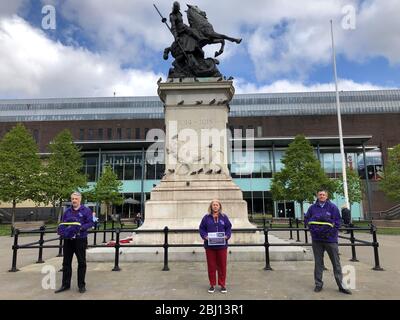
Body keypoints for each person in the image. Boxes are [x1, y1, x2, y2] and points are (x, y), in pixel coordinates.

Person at [304, 189, 352, 294]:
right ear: (317, 196)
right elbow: (307, 220)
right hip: (317, 240)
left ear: (327, 196)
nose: (321, 196)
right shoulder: (312, 208)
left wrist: (330, 233)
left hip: (330, 240)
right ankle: (318, 284)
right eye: (320, 195)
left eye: (323, 195)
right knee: (318, 263)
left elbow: (337, 222)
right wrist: (313, 231)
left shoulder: (333, 207)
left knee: (336, 263)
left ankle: (341, 286)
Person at [55, 192, 94, 294]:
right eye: (72, 199)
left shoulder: (86, 210)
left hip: (80, 239)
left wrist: (81, 228)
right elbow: (63, 223)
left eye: (76, 199)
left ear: (80, 200)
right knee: (66, 263)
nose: (74, 200)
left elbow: (90, 223)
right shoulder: (67, 211)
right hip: (68, 240)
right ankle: (65, 285)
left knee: (81, 262)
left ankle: (81, 285)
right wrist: (62, 230)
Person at [199, 199, 232, 294]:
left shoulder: (224, 217)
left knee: (222, 266)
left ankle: (222, 285)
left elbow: (228, 228)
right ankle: (212, 284)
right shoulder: (206, 218)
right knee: (211, 266)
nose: (215, 206)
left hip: (222, 246)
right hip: (210, 246)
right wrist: (205, 236)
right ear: (211, 206)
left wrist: (227, 236)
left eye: (217, 205)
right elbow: (201, 228)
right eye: (213, 205)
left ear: (219, 206)